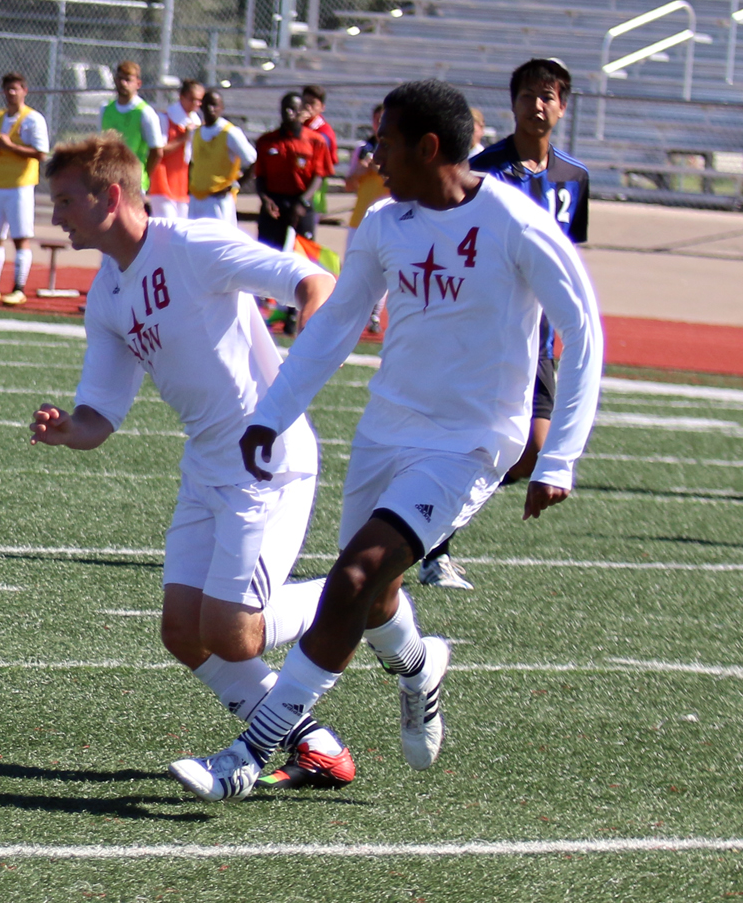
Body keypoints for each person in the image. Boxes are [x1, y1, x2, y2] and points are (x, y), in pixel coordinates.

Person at [168, 78, 603, 801]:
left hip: (469, 444)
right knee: (370, 599)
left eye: (385, 142)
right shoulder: (382, 221)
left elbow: (584, 332)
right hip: (385, 431)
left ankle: (248, 753)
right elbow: (338, 323)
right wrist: (272, 414)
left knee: (356, 578)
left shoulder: (514, 224)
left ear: (429, 147)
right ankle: (419, 667)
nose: (373, 156)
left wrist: (560, 454)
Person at [31, 135, 352, 790]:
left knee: (232, 635)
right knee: (183, 631)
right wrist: (68, 429)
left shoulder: (192, 245)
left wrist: (299, 367)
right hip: (207, 466)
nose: (56, 215)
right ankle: (314, 744)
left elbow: (314, 282)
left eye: (64, 200)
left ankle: (364, 590)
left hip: (269, 459)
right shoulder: (108, 294)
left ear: (110, 196)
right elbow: (100, 417)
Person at [417, 57, 592, 591]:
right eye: (528, 96)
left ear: (562, 106)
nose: (537, 105)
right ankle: (431, 548)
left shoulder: (574, 178)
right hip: (483, 328)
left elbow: (570, 257)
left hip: (536, 336)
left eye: (548, 96)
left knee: (531, 450)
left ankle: (427, 528)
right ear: (512, 102)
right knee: (471, 437)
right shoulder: (484, 169)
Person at [0, 72, 49, 305]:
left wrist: (11, 146)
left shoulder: (33, 119)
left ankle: (19, 288)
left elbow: (40, 153)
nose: (11, 93)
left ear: (25, 90)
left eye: (16, 89)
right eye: (7, 89)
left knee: (20, 238)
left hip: (20, 186)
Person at [252, 91, 332, 250]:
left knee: (305, 255)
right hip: (274, 203)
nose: (289, 112)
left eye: (293, 109)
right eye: (285, 108)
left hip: (301, 202)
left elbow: (319, 175)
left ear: (302, 111)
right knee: (268, 253)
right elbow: (260, 175)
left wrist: (303, 202)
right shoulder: (266, 141)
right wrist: (265, 200)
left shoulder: (316, 141)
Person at [187, 88, 256, 225]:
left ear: (222, 108)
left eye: (215, 105)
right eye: (207, 104)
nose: (210, 109)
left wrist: (236, 184)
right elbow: (194, 163)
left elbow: (253, 161)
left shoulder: (230, 132)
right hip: (196, 198)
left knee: (219, 241)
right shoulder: (196, 133)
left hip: (218, 200)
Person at [98, 60, 166, 194]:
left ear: (138, 84)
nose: (123, 83)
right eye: (120, 79)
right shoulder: (105, 109)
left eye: (128, 80)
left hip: (133, 183)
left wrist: (143, 175)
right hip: (109, 180)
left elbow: (157, 151)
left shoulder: (145, 112)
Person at [147, 78, 204, 220]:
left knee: (181, 228)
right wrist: (183, 137)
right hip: (163, 182)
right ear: (182, 97)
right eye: (192, 99)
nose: (196, 104)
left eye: (199, 101)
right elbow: (159, 151)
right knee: (165, 226)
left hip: (182, 183)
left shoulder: (195, 121)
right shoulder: (165, 118)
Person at [344, 103, 387, 229]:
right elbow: (348, 186)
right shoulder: (362, 149)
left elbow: (403, 190)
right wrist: (361, 171)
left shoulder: (399, 151)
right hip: (360, 220)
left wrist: (380, 171)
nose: (379, 124)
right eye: (376, 120)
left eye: (383, 120)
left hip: (385, 223)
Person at [300, 84, 337, 216]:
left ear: (322, 107)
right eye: (304, 102)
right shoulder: (298, 125)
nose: (307, 107)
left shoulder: (323, 132)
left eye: (312, 103)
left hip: (312, 189)